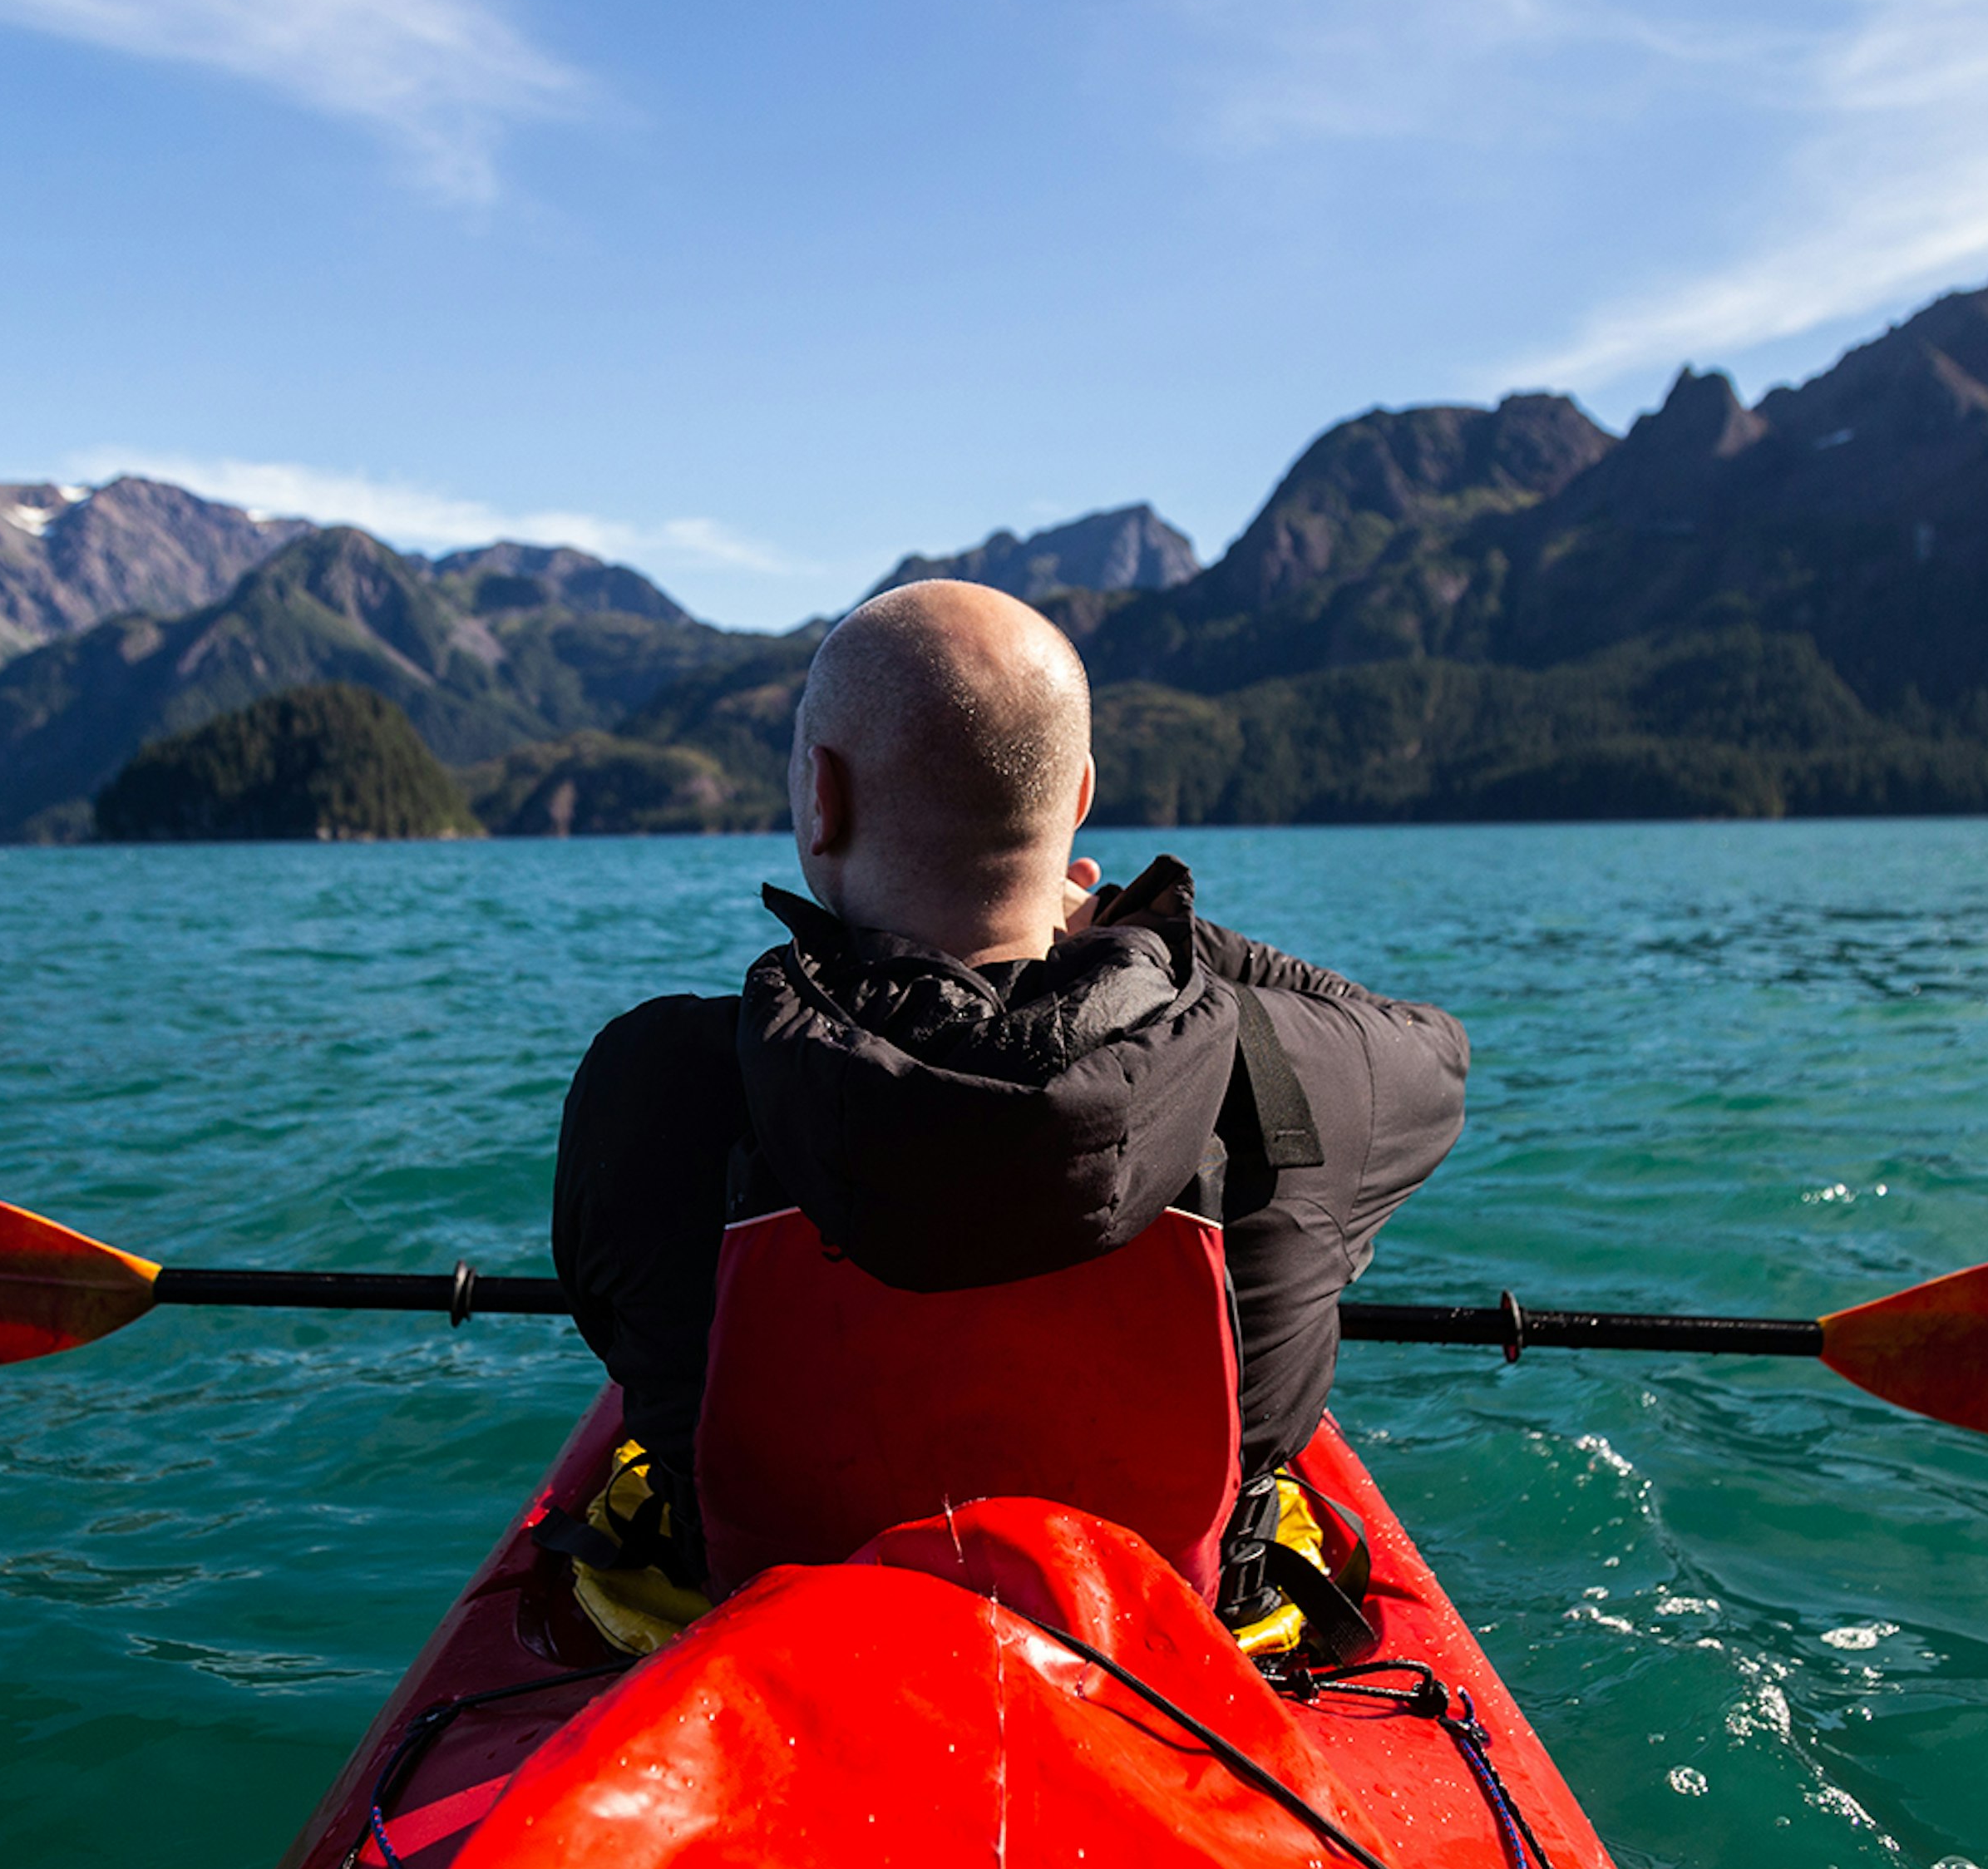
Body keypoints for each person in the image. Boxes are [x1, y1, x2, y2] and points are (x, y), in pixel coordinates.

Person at [551, 579, 1469, 1623]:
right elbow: (1434, 1048)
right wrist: (1161, 940)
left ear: (821, 794)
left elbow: (604, 1313)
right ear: (1077, 796)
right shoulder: (1286, 1071)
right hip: (1163, 1685)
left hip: (765, 1657)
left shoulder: (651, 1079)